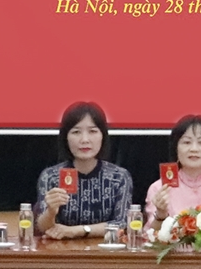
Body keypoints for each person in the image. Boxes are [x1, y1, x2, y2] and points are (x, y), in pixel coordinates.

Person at [35, 101, 134, 240]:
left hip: (106, 249)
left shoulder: (119, 177)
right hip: (61, 249)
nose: (85, 140)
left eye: (92, 131)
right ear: (65, 137)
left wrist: (77, 231)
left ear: (103, 135)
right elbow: (41, 227)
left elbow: (122, 223)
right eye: (76, 132)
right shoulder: (51, 176)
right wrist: (51, 212)